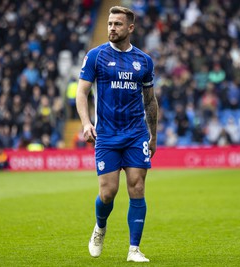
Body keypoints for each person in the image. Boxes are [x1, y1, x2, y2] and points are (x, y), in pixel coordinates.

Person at [76, 6, 158, 263]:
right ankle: (100, 228)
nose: (111, 27)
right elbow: (82, 93)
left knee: (137, 187)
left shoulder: (144, 61)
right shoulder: (95, 56)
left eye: (117, 24)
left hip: (136, 134)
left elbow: (150, 101)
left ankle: (134, 249)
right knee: (107, 193)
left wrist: (152, 136)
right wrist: (86, 123)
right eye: (110, 23)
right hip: (107, 135)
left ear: (130, 28)